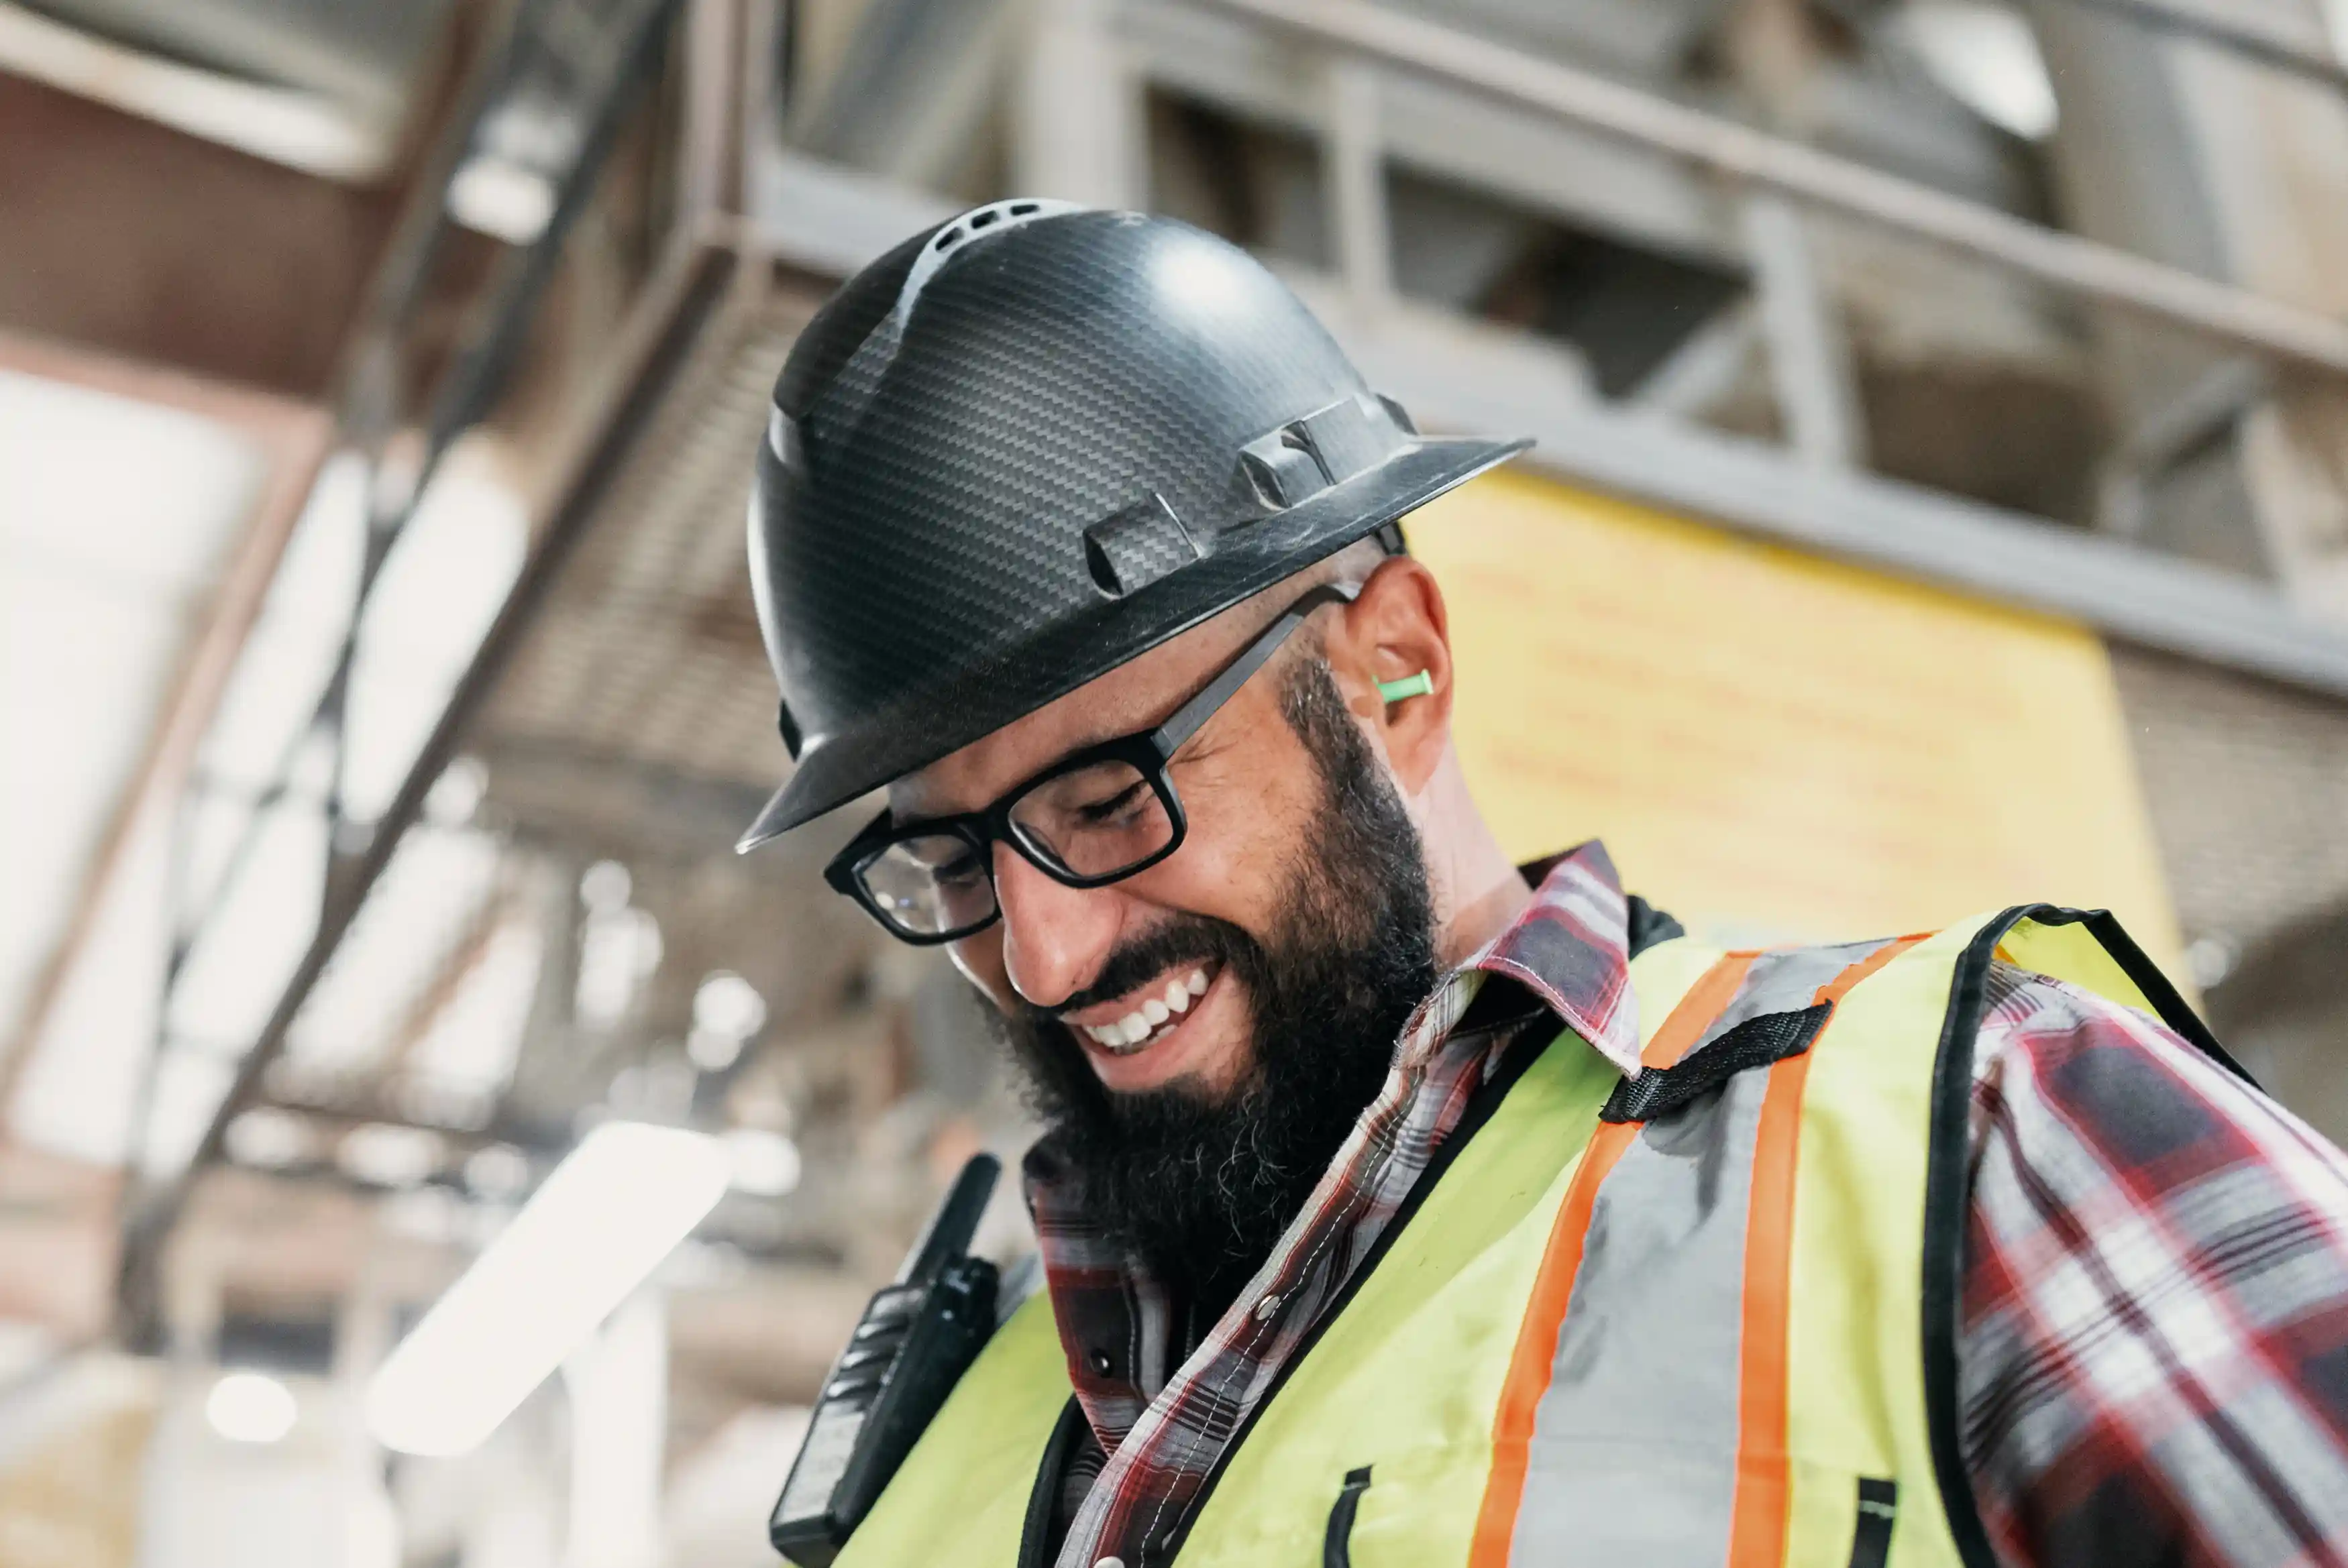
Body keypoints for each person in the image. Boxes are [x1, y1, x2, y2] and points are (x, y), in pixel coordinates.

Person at [737, 201, 2348, 1568]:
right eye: (946, 852)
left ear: (1396, 671)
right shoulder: (932, 1436)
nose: (1042, 943)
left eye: (1107, 796)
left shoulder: (1987, 1131)